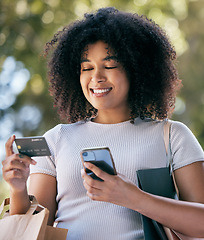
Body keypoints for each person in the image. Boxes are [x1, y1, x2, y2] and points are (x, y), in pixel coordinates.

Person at [2, 7, 204, 240]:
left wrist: (133, 198)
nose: (96, 77)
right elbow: (34, 228)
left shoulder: (172, 135)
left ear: (136, 70)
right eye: (86, 68)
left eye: (109, 66)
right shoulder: (57, 139)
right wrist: (18, 189)